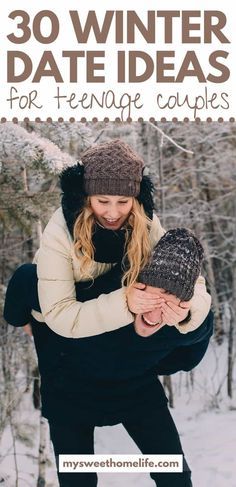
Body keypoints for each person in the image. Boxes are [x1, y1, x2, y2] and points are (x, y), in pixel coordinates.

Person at [4, 228, 214, 487]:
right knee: (77, 481)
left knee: (173, 474)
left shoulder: (180, 326)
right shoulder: (95, 297)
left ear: (184, 306)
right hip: (69, 392)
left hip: (135, 392)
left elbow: (188, 354)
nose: (156, 309)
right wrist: (24, 320)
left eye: (171, 299)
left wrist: (141, 358)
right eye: (150, 292)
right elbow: (24, 278)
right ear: (135, 284)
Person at [29, 139, 211, 338]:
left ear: (135, 200)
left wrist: (187, 310)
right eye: (103, 201)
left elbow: (193, 280)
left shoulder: (145, 223)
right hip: (60, 326)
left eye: (123, 202)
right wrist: (125, 302)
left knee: (199, 332)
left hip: (109, 319)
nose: (113, 213)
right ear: (87, 199)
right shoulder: (60, 231)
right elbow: (59, 314)